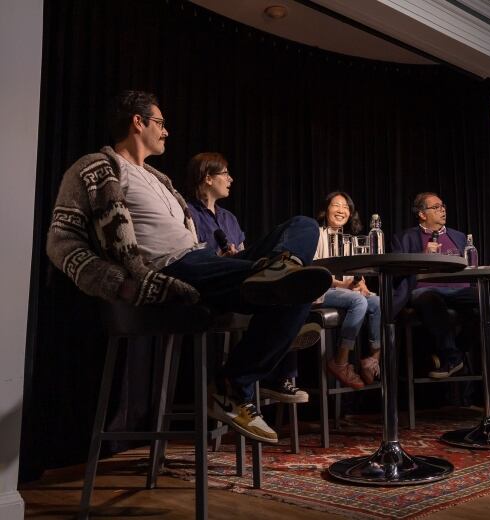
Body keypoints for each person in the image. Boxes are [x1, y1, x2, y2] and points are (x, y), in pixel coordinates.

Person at [46, 90, 331, 444]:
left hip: (204, 261)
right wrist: (122, 284)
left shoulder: (160, 180)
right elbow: (61, 242)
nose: (166, 132)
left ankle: (277, 274)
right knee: (300, 288)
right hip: (170, 271)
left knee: (303, 226)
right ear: (139, 122)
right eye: (161, 124)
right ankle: (236, 383)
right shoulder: (97, 168)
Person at [185, 151, 314, 404]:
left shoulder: (228, 217)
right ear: (208, 178)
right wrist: (220, 256)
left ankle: (283, 268)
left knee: (305, 224)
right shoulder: (186, 211)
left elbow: (243, 251)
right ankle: (288, 327)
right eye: (225, 174)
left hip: (242, 272)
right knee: (295, 296)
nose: (231, 179)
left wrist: (238, 255)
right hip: (213, 275)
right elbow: (186, 256)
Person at [392, 192, 490, 379]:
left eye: (443, 206)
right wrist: (422, 256)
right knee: (430, 301)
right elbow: (395, 271)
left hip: (460, 289)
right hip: (425, 290)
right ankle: (452, 356)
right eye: (435, 207)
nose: (442, 210)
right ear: (422, 214)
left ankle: (456, 353)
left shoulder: (459, 237)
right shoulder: (404, 238)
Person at [314, 191, 381, 389]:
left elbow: (354, 275)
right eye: (336, 205)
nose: (341, 210)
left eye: (346, 207)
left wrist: (360, 284)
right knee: (358, 301)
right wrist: (341, 285)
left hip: (346, 293)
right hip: (321, 291)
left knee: (377, 302)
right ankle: (340, 361)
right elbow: (312, 270)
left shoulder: (350, 240)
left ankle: (373, 359)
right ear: (326, 210)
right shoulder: (316, 234)